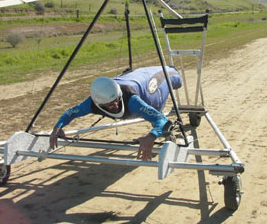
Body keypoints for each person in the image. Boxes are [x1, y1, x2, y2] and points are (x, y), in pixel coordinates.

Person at [49, 66, 182, 161]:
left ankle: (167, 135)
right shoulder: (91, 103)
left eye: (117, 100)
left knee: (159, 122)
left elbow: (161, 119)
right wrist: (58, 127)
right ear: (99, 104)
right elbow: (71, 113)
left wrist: (151, 137)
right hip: (130, 82)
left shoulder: (131, 100)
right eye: (110, 104)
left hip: (148, 89)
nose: (116, 105)